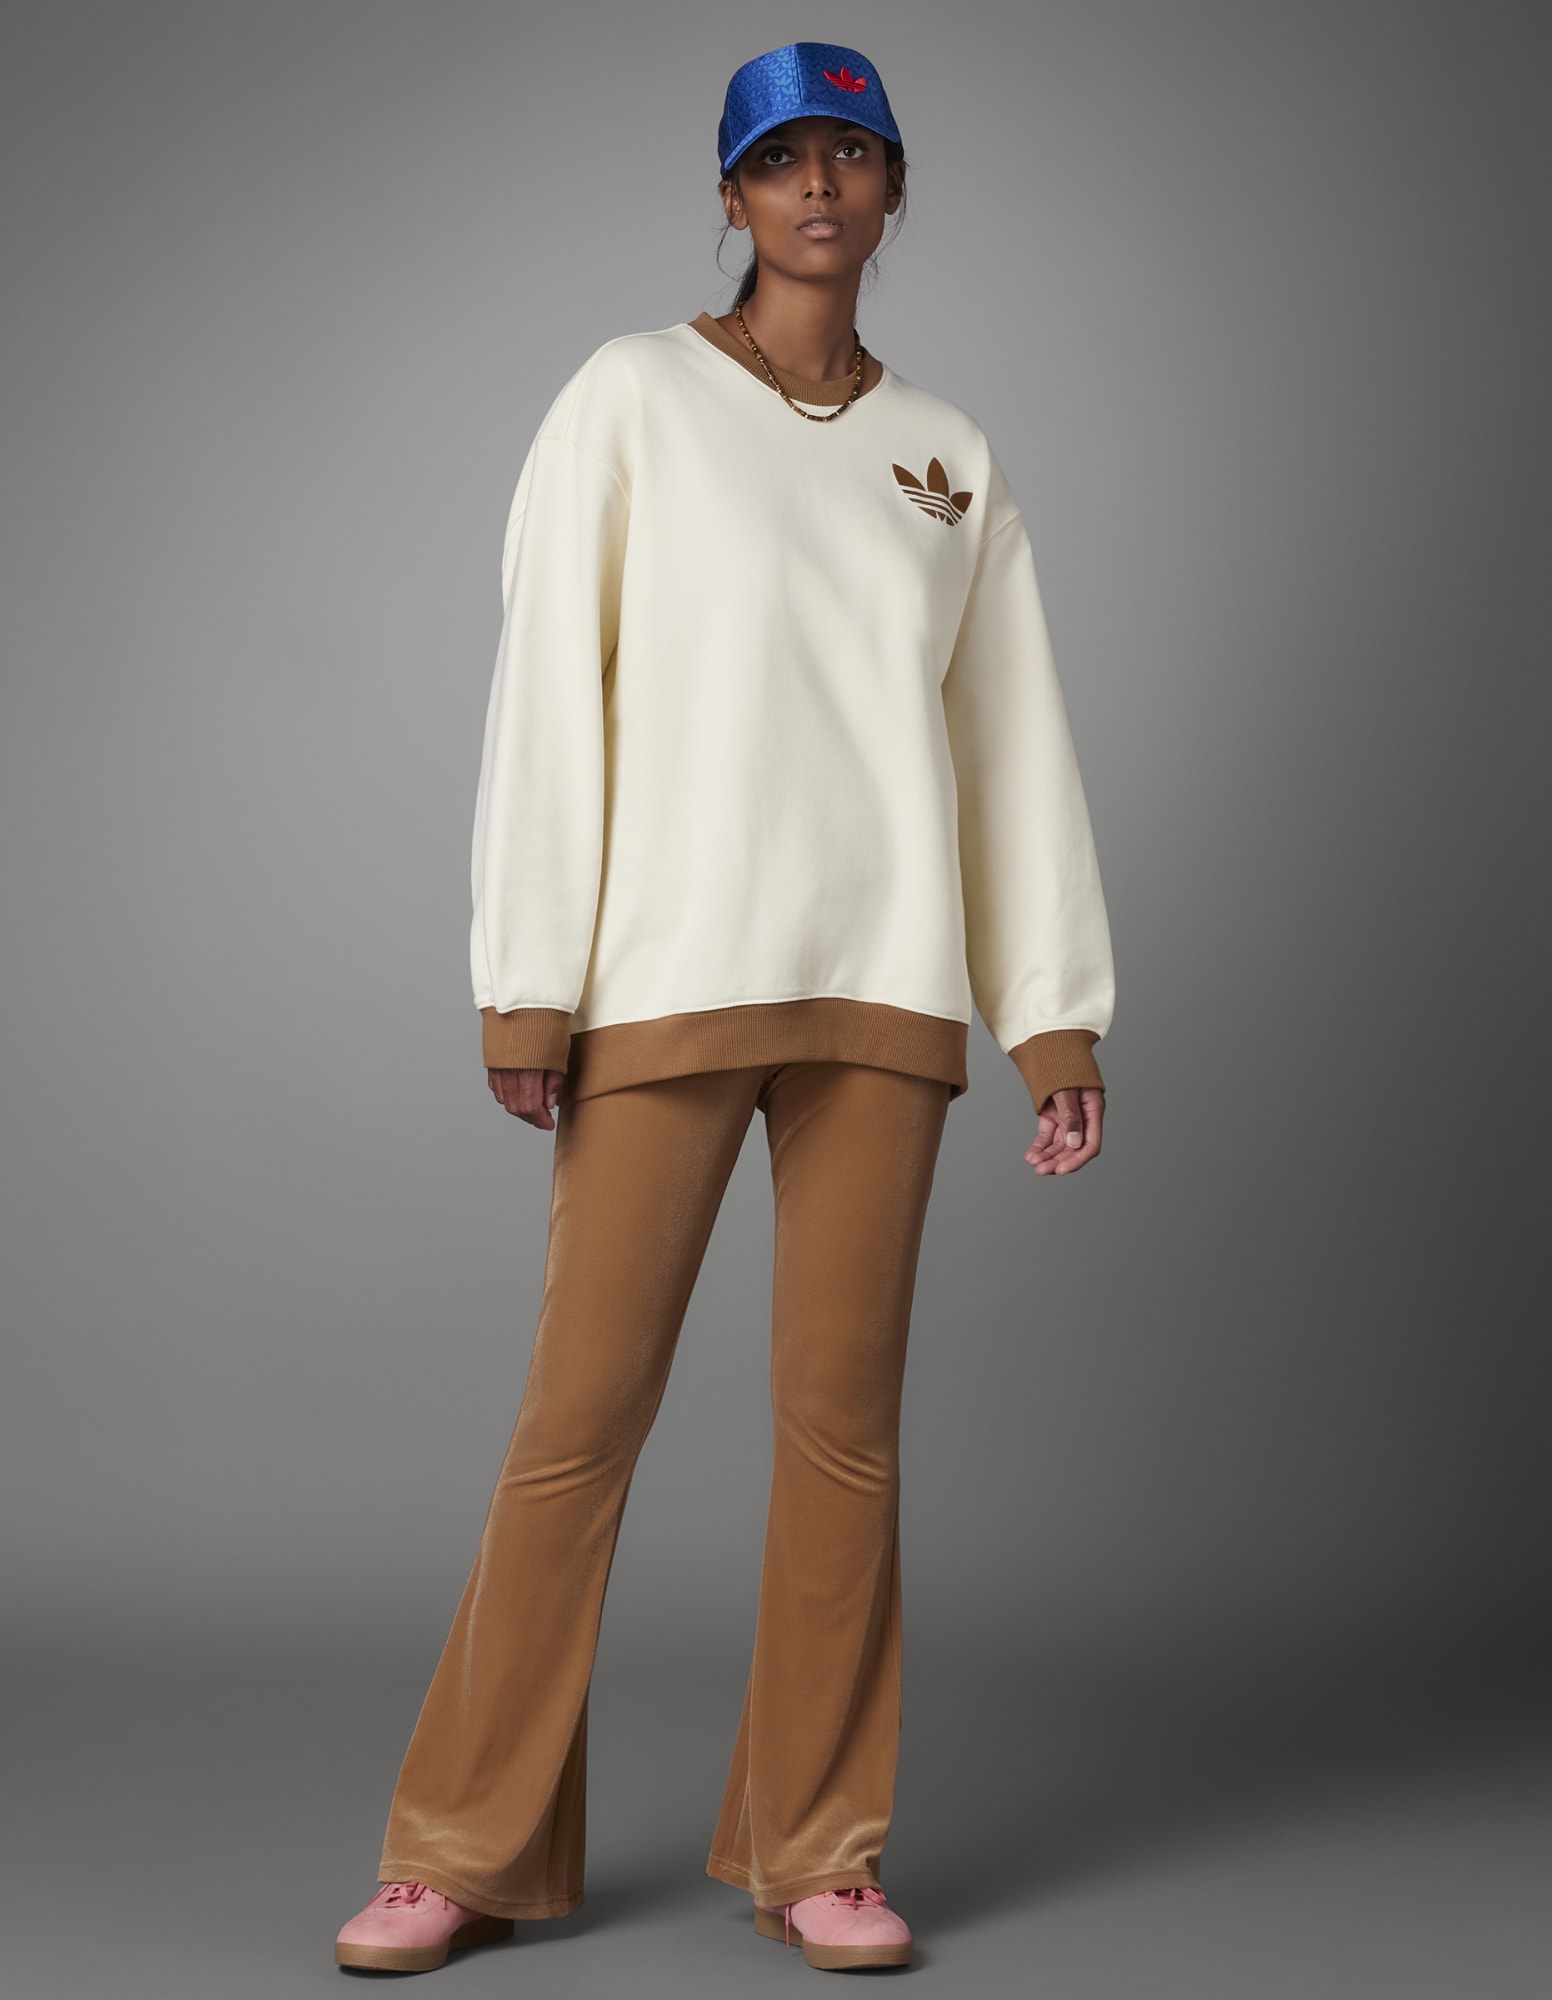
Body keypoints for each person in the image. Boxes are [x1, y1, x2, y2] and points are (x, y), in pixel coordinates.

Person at [333, 38, 1114, 1977]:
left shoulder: (949, 455)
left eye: (851, 153)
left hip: (883, 990)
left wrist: (1054, 1017)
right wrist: (528, 985)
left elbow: (1010, 746)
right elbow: (549, 693)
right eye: (783, 161)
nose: (818, 188)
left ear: (895, 186)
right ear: (733, 196)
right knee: (579, 1419)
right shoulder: (628, 398)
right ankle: (458, 1845)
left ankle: (818, 1847)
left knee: (843, 1433)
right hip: (666, 975)